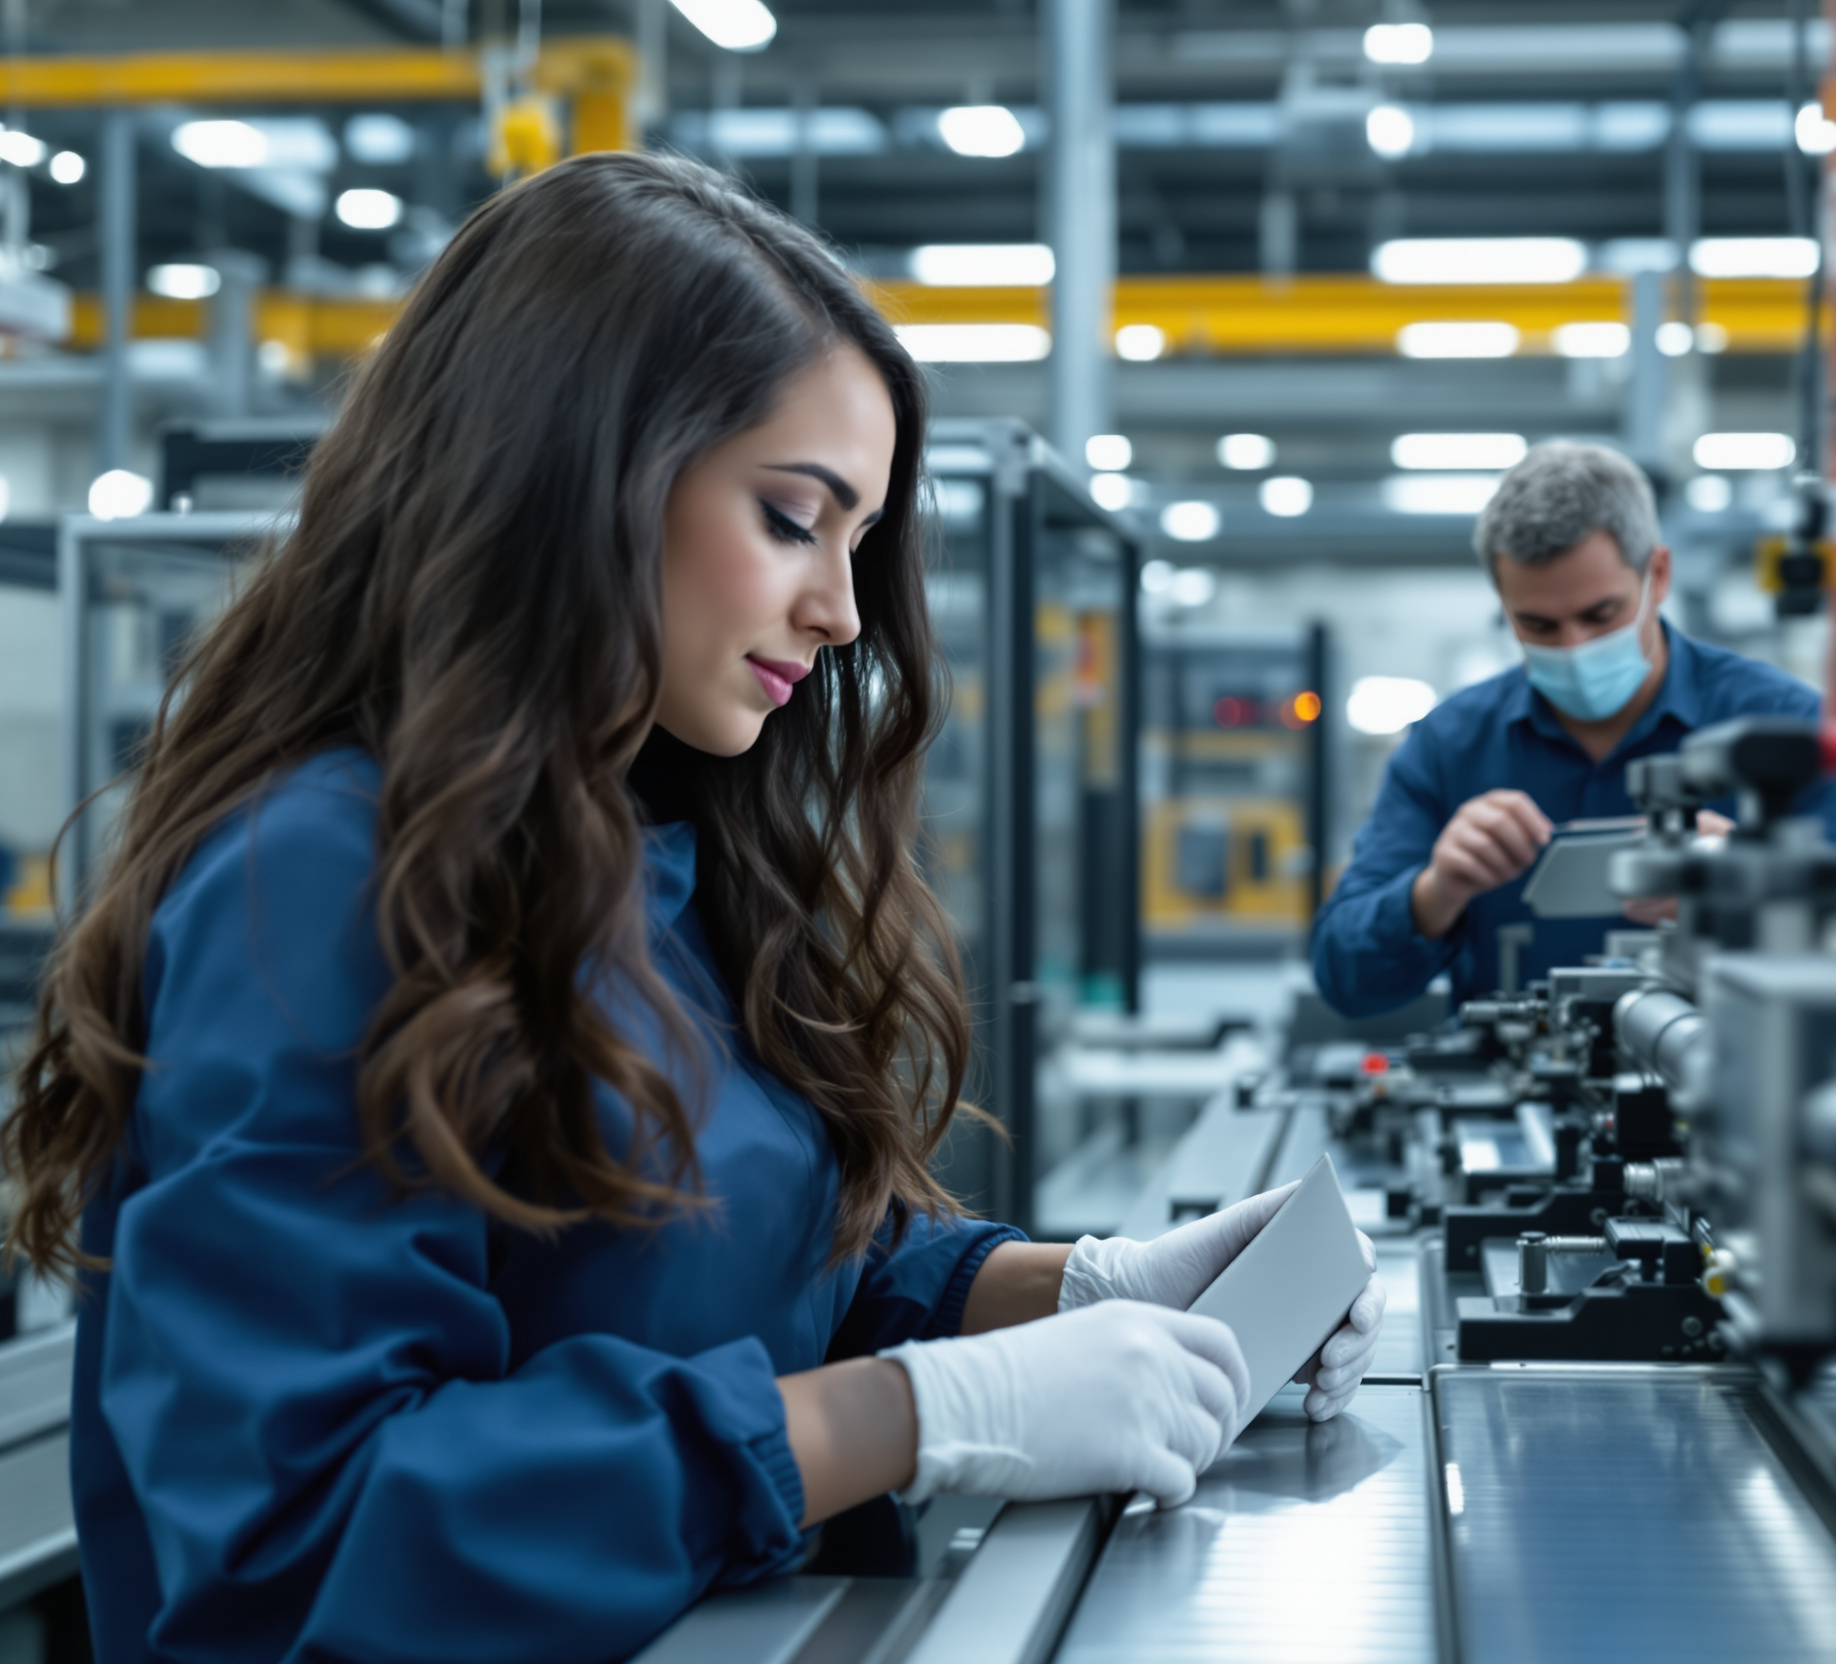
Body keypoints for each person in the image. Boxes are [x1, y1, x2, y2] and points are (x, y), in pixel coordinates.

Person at [1, 152, 1381, 1664]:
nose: (843, 614)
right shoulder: (326, 880)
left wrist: (1062, 1287)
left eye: (858, 545)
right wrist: (913, 1414)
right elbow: (306, 1537)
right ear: (578, 471)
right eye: (794, 519)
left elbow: (739, 1262)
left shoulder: (659, 841)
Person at [1311, 440, 1836, 1017]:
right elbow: (1343, 977)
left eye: (1601, 615)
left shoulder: (1788, 730)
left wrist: (1754, 892)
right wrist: (1435, 892)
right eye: (1538, 624)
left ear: (1659, 575)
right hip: (1517, 1097)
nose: (1574, 648)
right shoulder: (1450, 748)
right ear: (1502, 602)